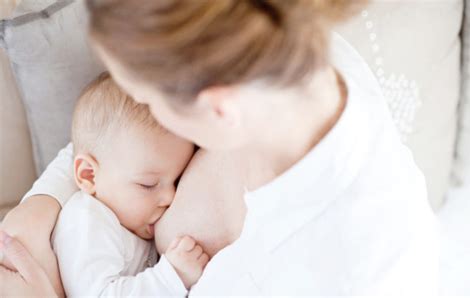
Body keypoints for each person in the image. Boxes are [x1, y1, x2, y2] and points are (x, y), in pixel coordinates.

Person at [0, 0, 439, 296]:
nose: (147, 110)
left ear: (216, 107)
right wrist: (44, 200)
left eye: (150, 100)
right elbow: (115, 135)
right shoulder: (286, 52)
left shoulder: (308, 267)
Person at [52, 72, 207, 296]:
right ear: (88, 175)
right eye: (148, 184)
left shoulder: (128, 221)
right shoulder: (88, 221)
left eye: (176, 180)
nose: (170, 197)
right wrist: (171, 276)